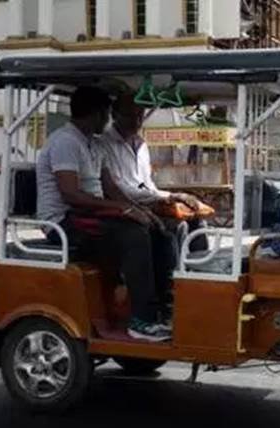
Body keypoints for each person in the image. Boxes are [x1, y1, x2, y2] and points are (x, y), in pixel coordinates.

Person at [35, 86, 176, 342]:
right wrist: (122, 209)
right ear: (95, 114)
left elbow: (111, 189)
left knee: (159, 229)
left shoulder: (95, 144)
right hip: (65, 221)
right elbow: (71, 195)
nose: (108, 121)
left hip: (91, 214)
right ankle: (141, 320)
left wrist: (140, 210)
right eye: (106, 114)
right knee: (134, 236)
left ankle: (163, 309)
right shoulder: (65, 142)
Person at [98, 92, 208, 252]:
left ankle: (200, 265)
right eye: (129, 116)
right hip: (125, 205)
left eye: (139, 116)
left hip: (149, 201)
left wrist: (174, 196)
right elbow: (119, 189)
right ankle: (177, 267)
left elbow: (148, 185)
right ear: (114, 115)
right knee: (178, 226)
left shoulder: (141, 144)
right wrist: (167, 197)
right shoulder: (103, 144)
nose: (136, 122)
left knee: (197, 218)